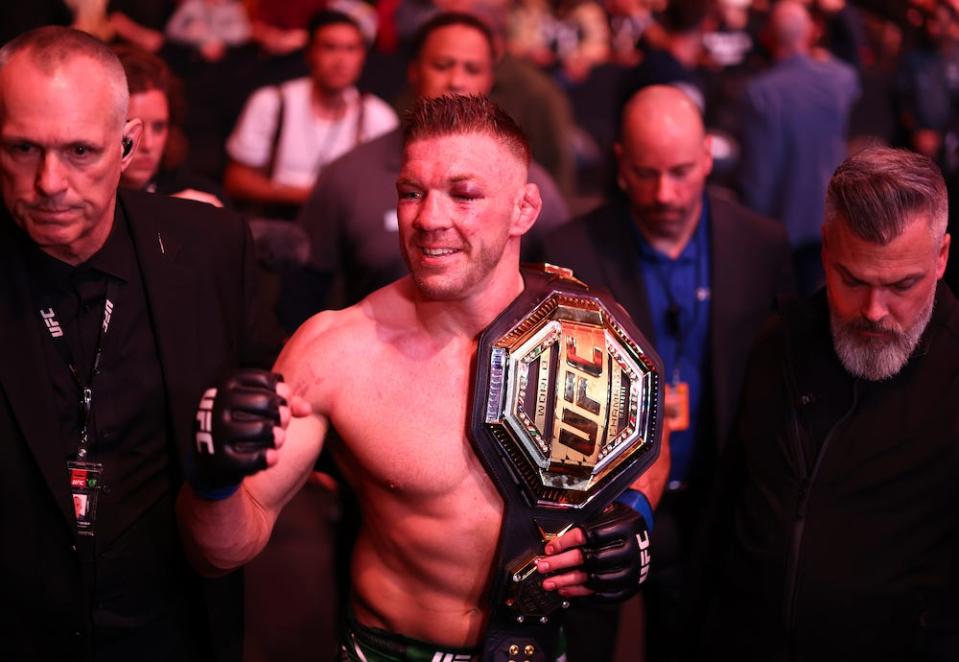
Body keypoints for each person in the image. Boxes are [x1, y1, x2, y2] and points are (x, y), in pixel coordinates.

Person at [178, 94, 666, 661]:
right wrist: (214, 480)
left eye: (464, 194)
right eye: (412, 193)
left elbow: (653, 447)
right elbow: (221, 551)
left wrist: (637, 514)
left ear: (524, 209)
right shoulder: (338, 348)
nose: (430, 219)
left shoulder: (590, 325)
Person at [0, 26, 273, 661]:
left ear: (127, 147)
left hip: (171, 625)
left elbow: (268, 396)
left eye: (79, 152)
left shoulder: (211, 248)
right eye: (21, 150)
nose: (48, 182)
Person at [540, 85, 794, 662]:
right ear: (619, 163)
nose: (665, 194)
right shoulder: (567, 247)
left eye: (681, 171)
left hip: (716, 500)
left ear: (708, 156)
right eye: (647, 173)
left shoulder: (761, 243)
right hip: (599, 506)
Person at [700, 146, 959, 659]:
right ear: (824, 251)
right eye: (853, 279)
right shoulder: (779, 341)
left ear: (942, 258)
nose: (874, 311)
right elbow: (725, 509)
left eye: (901, 285)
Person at [286, 11, 570, 325]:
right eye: (442, 65)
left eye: (472, 68)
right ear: (414, 71)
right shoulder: (347, 176)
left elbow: (564, 285)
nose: (457, 80)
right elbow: (300, 298)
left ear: (490, 79)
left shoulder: (523, 179)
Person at [224, 9, 398, 217]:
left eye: (351, 49)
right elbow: (236, 180)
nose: (341, 60)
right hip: (277, 218)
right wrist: (305, 195)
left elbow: (389, 187)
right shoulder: (272, 102)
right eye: (330, 47)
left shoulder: (376, 115)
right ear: (309, 53)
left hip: (345, 224)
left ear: (363, 57)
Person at [737, 0, 859, 294]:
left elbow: (759, 179)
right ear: (810, 34)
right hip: (832, 218)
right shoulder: (840, 80)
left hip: (783, 228)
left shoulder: (761, 93)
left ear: (768, 37)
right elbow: (854, 64)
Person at [114, 44, 225, 206]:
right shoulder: (77, 197)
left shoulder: (198, 195)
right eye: (132, 129)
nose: (148, 145)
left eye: (158, 127)